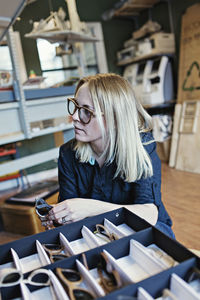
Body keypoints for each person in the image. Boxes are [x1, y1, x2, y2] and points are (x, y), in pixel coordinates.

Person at [44, 73, 174, 238]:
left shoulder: (142, 147)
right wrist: (60, 217)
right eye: (75, 107)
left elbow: (149, 214)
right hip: (97, 230)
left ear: (114, 117)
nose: (74, 117)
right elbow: (70, 211)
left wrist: (90, 208)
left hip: (144, 229)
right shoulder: (68, 154)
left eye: (86, 111)